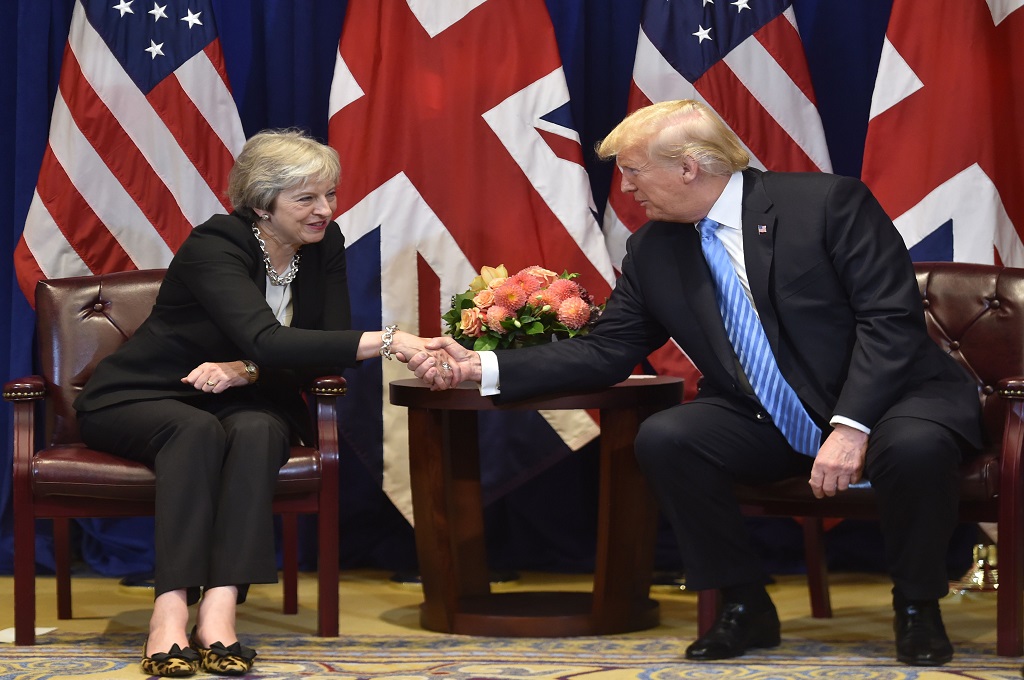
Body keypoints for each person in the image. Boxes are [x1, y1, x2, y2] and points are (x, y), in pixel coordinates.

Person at [410, 100, 982, 667]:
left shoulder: (828, 204)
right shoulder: (653, 249)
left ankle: (917, 606)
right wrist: (478, 366)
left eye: (633, 170)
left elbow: (889, 321)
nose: (626, 188)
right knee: (669, 438)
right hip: (767, 415)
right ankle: (742, 602)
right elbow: (608, 350)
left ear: (688, 167)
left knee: (913, 447)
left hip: (891, 400)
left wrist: (852, 426)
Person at [74, 129, 439, 677]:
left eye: (330, 195)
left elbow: (324, 345)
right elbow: (269, 338)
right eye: (307, 198)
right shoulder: (214, 245)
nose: (326, 210)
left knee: (260, 432)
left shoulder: (325, 244)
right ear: (262, 204)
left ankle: (219, 612)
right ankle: (169, 613)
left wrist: (246, 370)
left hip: (245, 395)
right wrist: (391, 340)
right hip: (143, 393)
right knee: (192, 431)